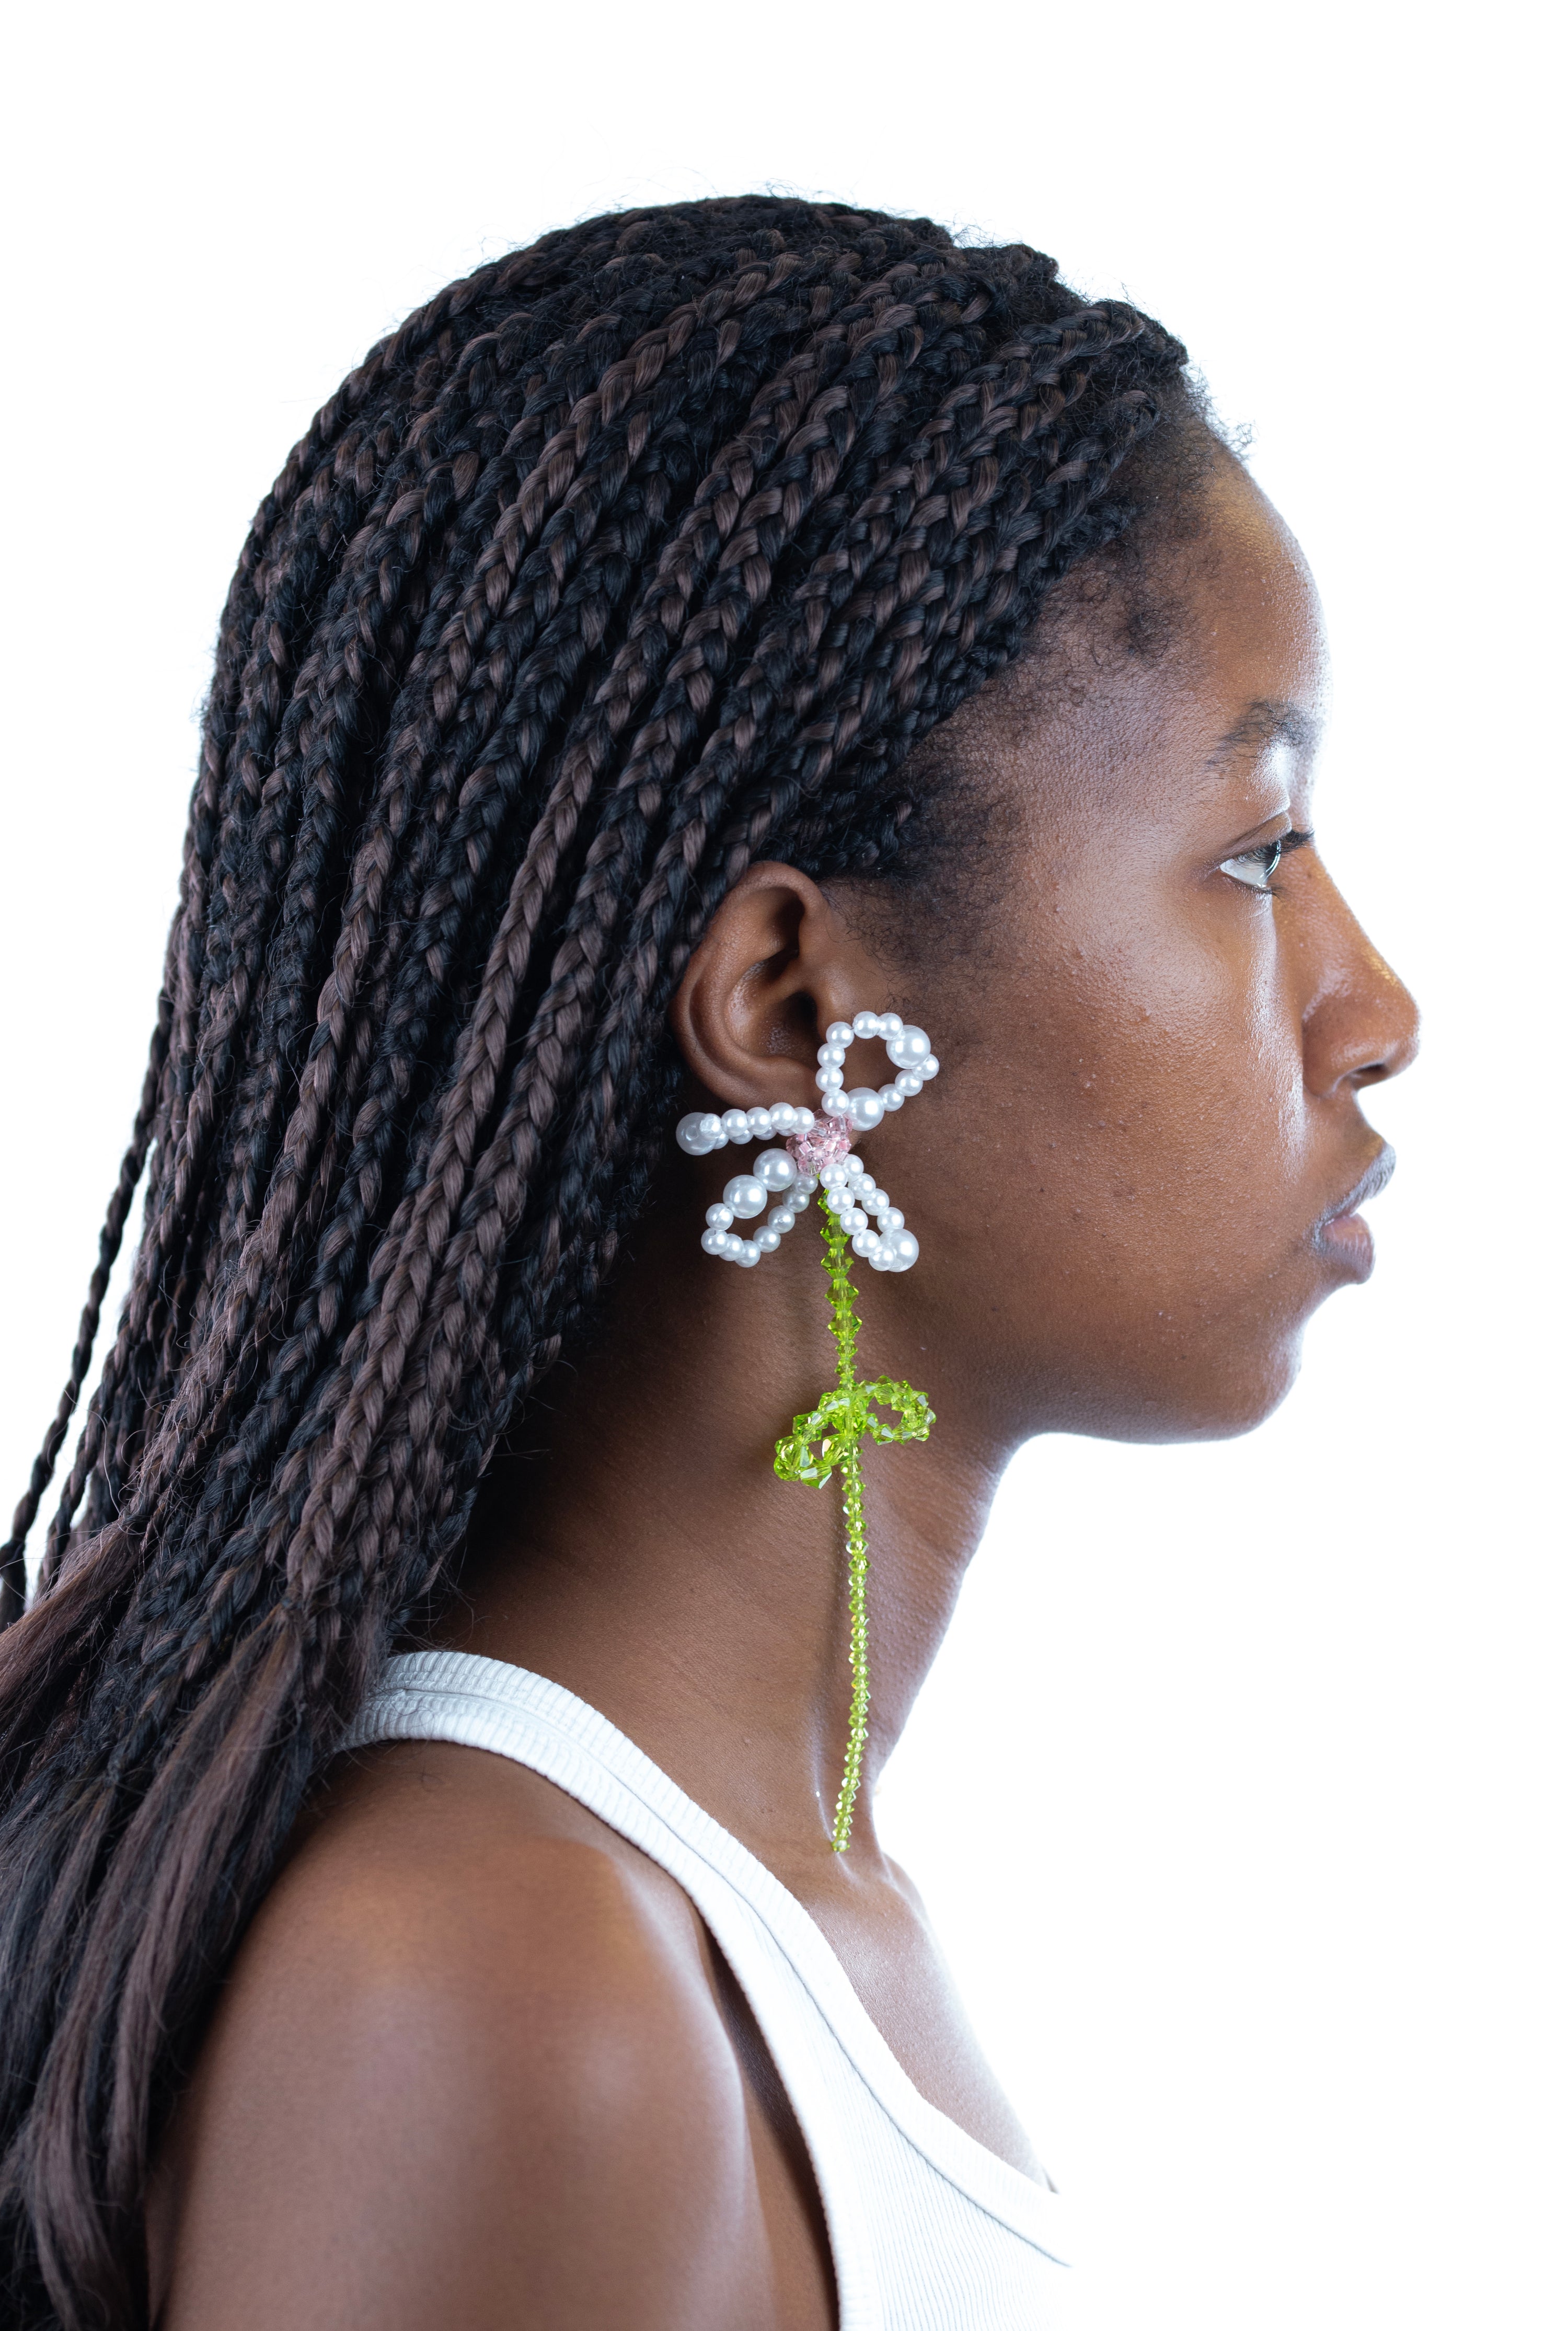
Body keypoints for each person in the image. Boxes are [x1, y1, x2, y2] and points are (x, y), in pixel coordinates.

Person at [0, 196, 1418, 2330]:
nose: (1375, 1000)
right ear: (786, 999)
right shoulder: (512, 1986)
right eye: (1250, 853)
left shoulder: (749, 1923)